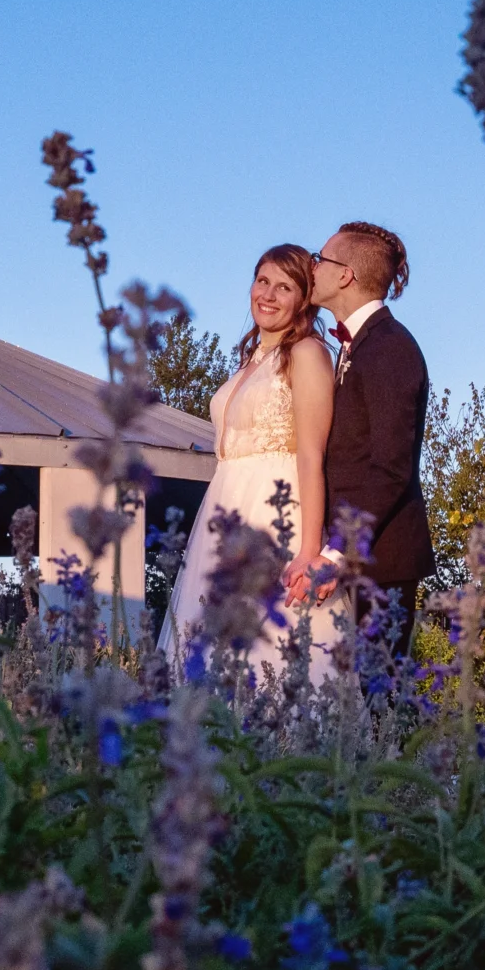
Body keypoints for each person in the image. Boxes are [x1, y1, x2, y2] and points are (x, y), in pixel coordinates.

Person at [163, 243, 345, 683]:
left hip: (274, 511)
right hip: (224, 511)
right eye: (263, 280)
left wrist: (308, 551)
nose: (268, 294)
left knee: (271, 655)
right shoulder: (251, 361)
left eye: (284, 287)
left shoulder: (307, 353)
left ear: (304, 299)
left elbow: (311, 454)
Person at [287, 220, 434, 662]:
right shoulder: (358, 346)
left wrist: (334, 554)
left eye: (320, 259)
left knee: (383, 705)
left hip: (383, 561)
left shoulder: (389, 346)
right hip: (359, 559)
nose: (311, 268)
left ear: (345, 274)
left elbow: (390, 468)